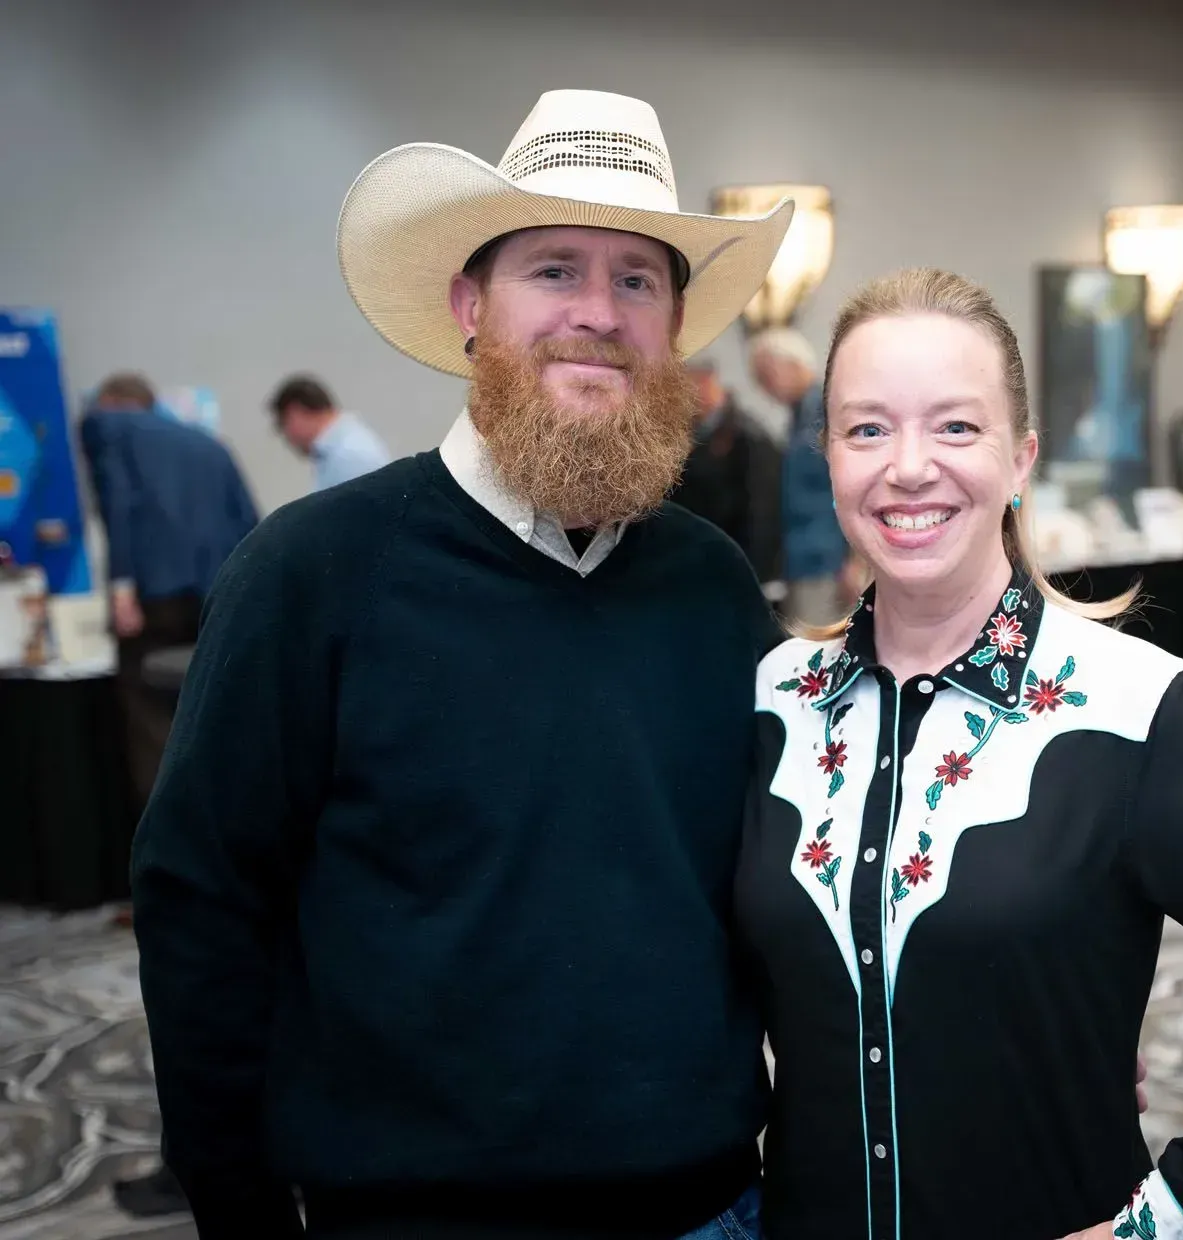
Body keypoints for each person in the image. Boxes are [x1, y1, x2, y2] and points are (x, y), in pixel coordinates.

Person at [129, 90, 793, 1240]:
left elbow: (803, 880)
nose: (597, 312)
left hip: (709, 1205)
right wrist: (237, 1208)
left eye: (635, 279)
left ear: (672, 327)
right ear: (469, 306)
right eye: (553, 270)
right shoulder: (307, 572)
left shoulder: (714, 585)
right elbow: (203, 909)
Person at [737, 269, 1183, 1240]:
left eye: (956, 427)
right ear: (829, 456)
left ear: (1021, 459)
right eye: (867, 428)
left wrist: (1170, 1218)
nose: (907, 465)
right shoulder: (774, 697)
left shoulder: (1126, 703)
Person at [78, 372, 258, 821]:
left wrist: (121, 588)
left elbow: (119, 505)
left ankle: (166, 842)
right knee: (217, 710)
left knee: (148, 720)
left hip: (153, 598)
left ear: (112, 402)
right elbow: (250, 524)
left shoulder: (109, 426)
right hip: (218, 594)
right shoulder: (210, 445)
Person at [750, 328, 863, 623]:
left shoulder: (829, 410)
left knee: (820, 656)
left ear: (791, 364)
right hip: (801, 559)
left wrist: (855, 559)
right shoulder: (798, 416)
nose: (764, 387)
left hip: (827, 561)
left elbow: (853, 485)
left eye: (766, 375)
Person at [671, 357, 783, 586]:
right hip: (701, 561)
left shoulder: (748, 435)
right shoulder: (690, 434)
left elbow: (761, 512)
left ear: (704, 383)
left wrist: (755, 575)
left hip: (737, 563)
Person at [267, 374, 392, 490]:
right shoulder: (340, 451)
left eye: (283, 424)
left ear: (296, 412)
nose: (287, 437)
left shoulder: (350, 456)